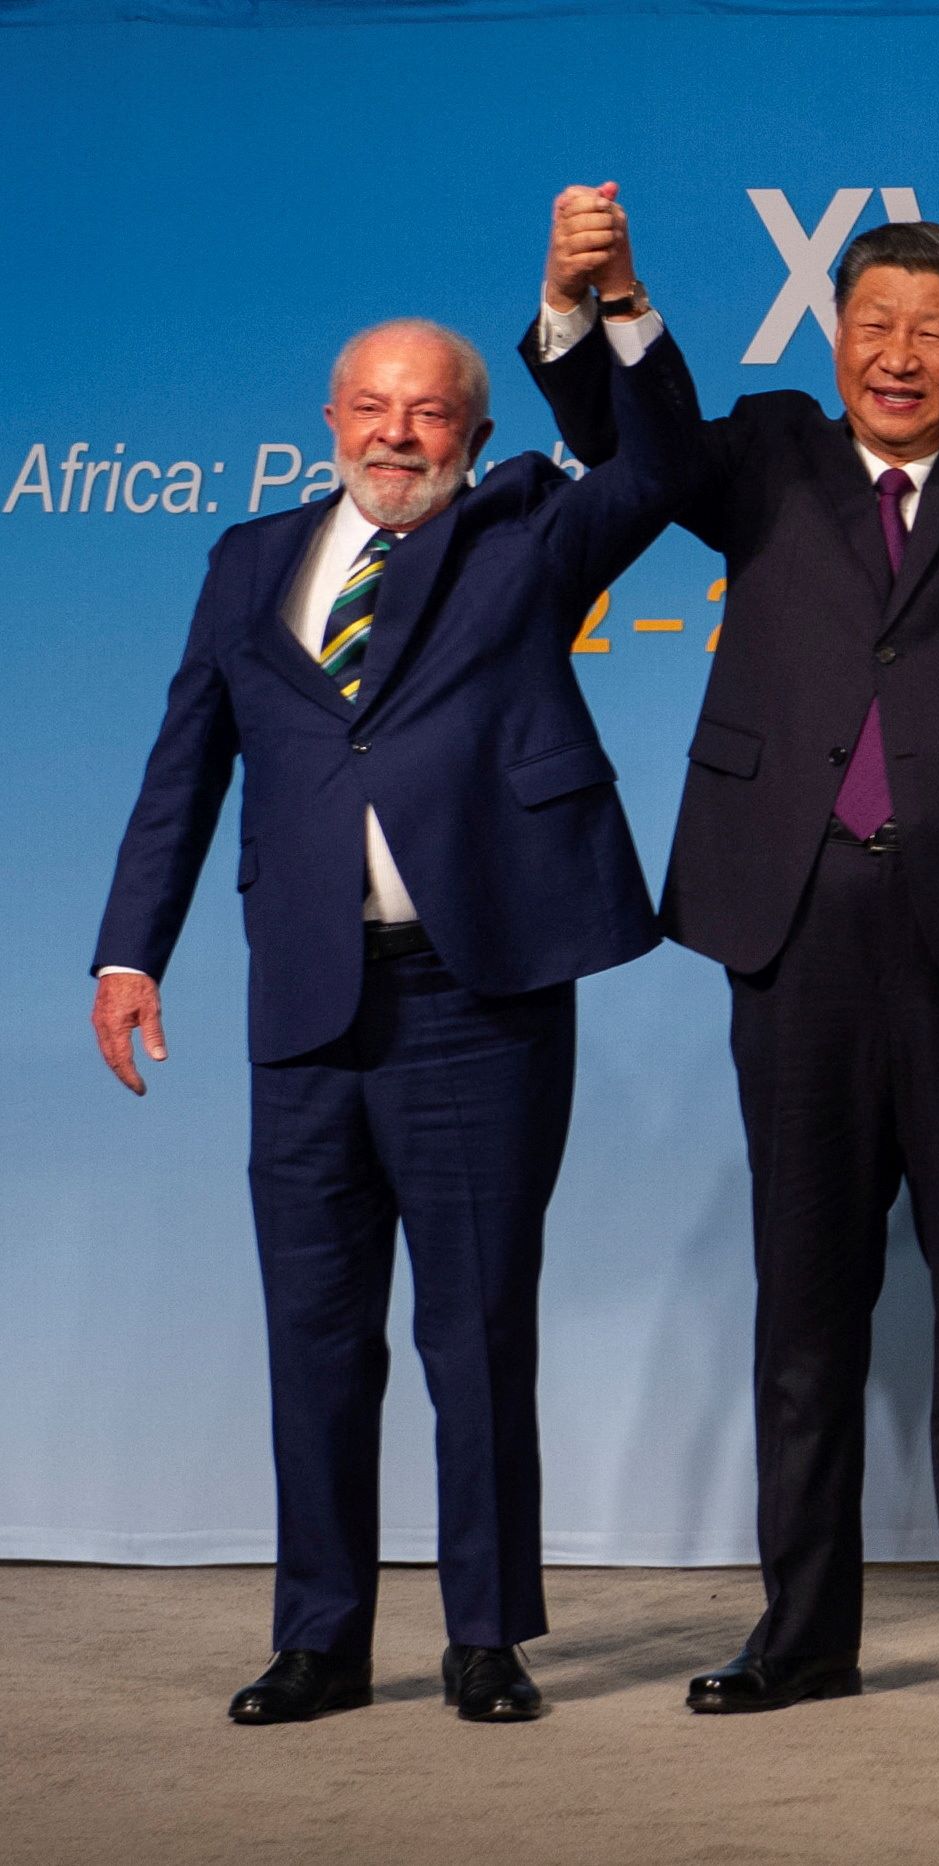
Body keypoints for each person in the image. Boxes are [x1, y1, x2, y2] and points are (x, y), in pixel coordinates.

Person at [522, 212, 939, 1717]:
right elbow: (630, 445)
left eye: (934, 331)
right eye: (874, 322)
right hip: (797, 917)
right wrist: (610, 305)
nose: (900, 354)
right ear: (833, 334)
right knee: (807, 1303)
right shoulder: (765, 449)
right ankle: (803, 1632)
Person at [89, 186, 689, 1725]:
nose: (400, 433)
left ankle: (485, 1635)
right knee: (315, 1334)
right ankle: (319, 1635)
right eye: (373, 407)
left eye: (432, 412)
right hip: (300, 998)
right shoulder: (246, 561)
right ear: (330, 418)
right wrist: (126, 952)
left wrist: (610, 302)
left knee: (475, 1330)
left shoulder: (529, 533)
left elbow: (668, 466)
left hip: (471, 996)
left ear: (475, 433)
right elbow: (185, 768)